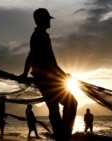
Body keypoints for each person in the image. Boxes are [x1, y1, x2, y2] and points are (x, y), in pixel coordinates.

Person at [19, 8, 77, 141]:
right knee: (70, 103)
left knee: (56, 106)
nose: (49, 21)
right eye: (47, 19)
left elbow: (31, 55)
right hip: (46, 79)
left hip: (47, 78)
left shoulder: (40, 35)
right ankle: (63, 135)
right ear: (41, 20)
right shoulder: (39, 36)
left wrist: (25, 72)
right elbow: (45, 60)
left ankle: (61, 135)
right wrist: (62, 75)